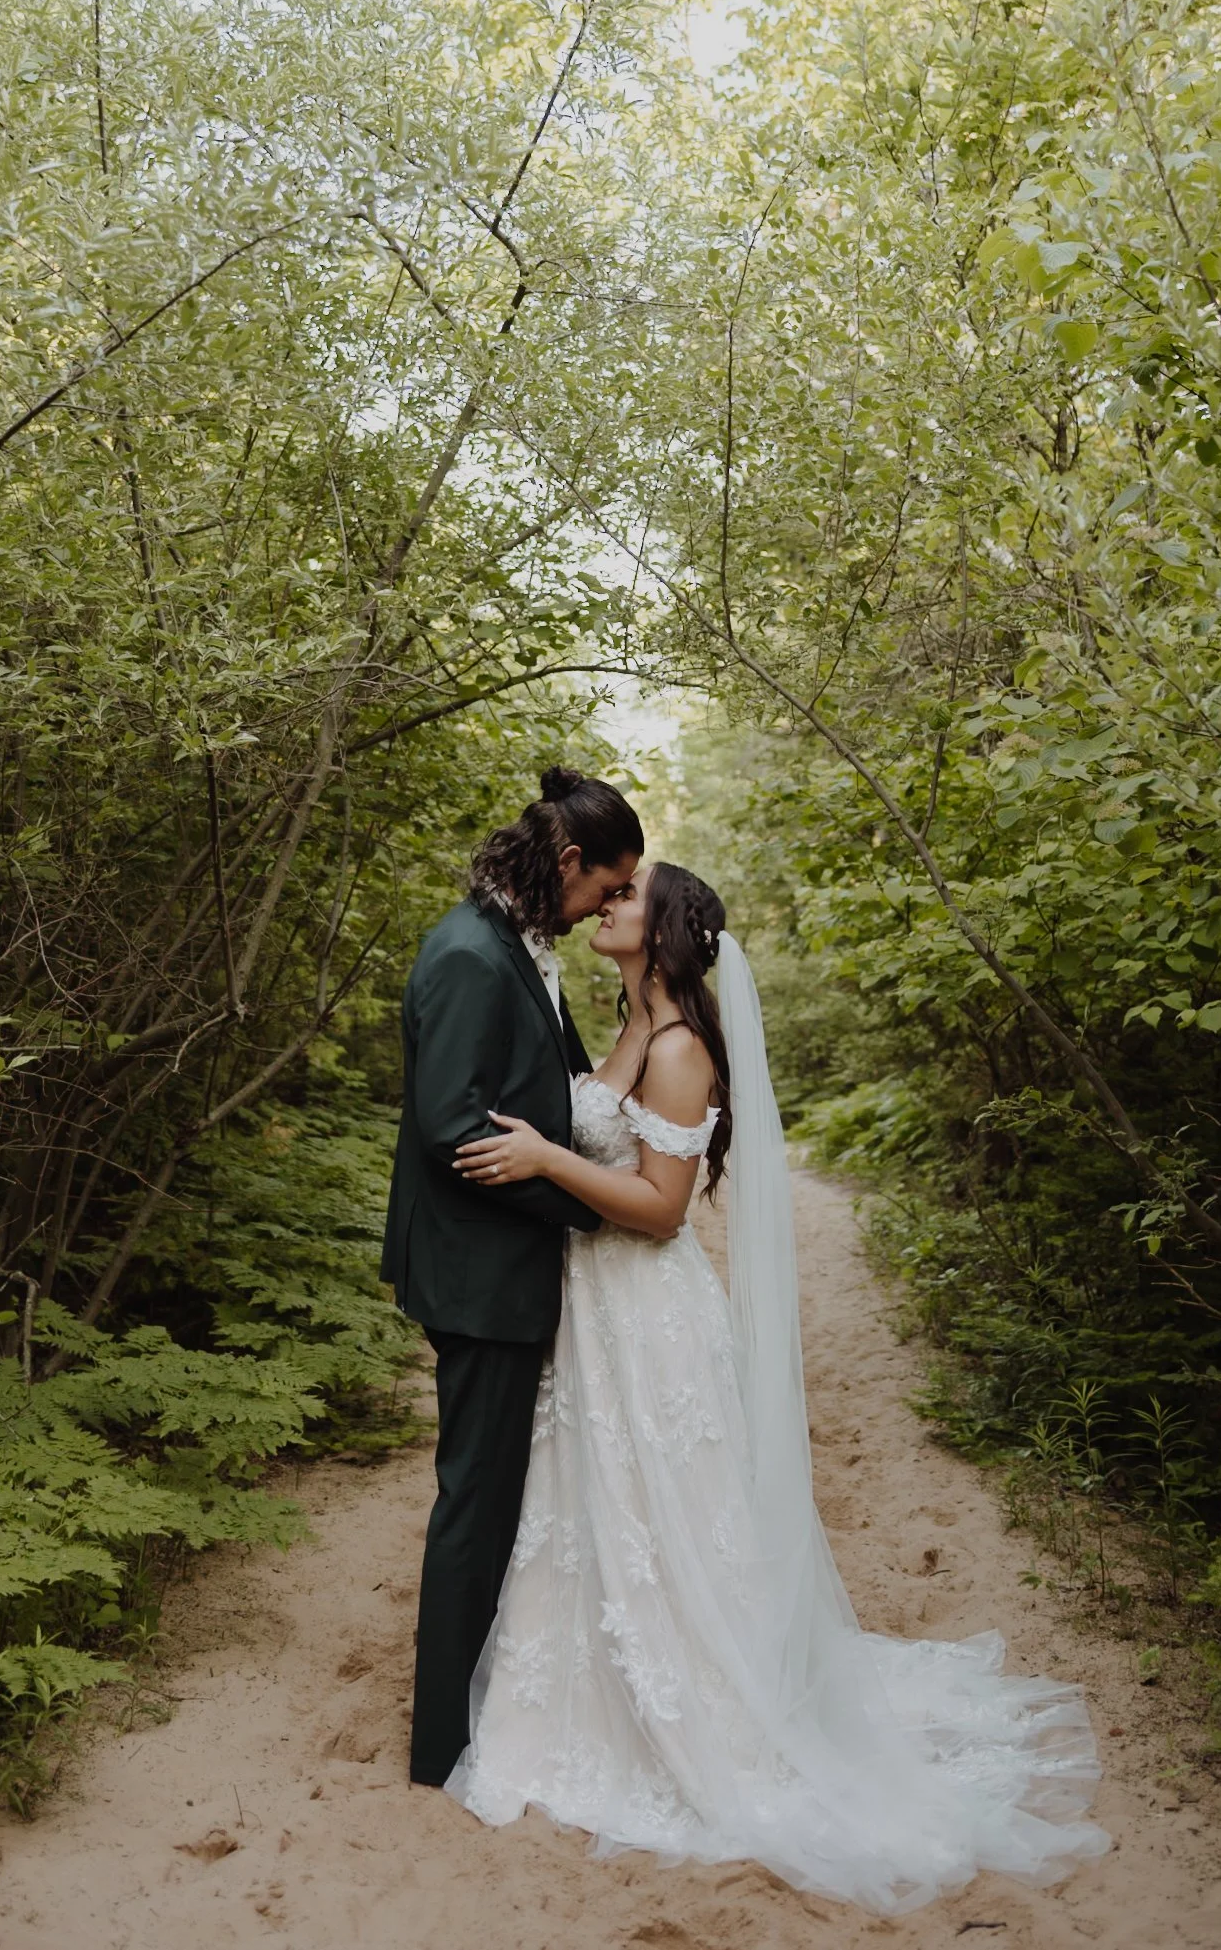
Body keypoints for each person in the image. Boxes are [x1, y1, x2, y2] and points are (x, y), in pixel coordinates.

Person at [445, 861, 1111, 1913]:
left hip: (649, 1313)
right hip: (597, 1316)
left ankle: (701, 1717)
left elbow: (660, 1208)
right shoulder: (622, 1023)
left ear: (658, 932)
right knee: (597, 1509)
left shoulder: (678, 1052)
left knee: (672, 1514)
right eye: (607, 888)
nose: (607, 901)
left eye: (628, 895)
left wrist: (543, 1159)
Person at [383, 766, 644, 1788]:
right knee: (476, 1496)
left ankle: (481, 1699)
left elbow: (546, 1094)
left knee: (500, 1493)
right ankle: (438, 1745)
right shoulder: (465, 956)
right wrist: (582, 1202)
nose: (602, 909)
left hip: (504, 1259)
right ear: (567, 860)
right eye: (604, 885)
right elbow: (452, 1125)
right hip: (476, 1273)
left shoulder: (516, 947)